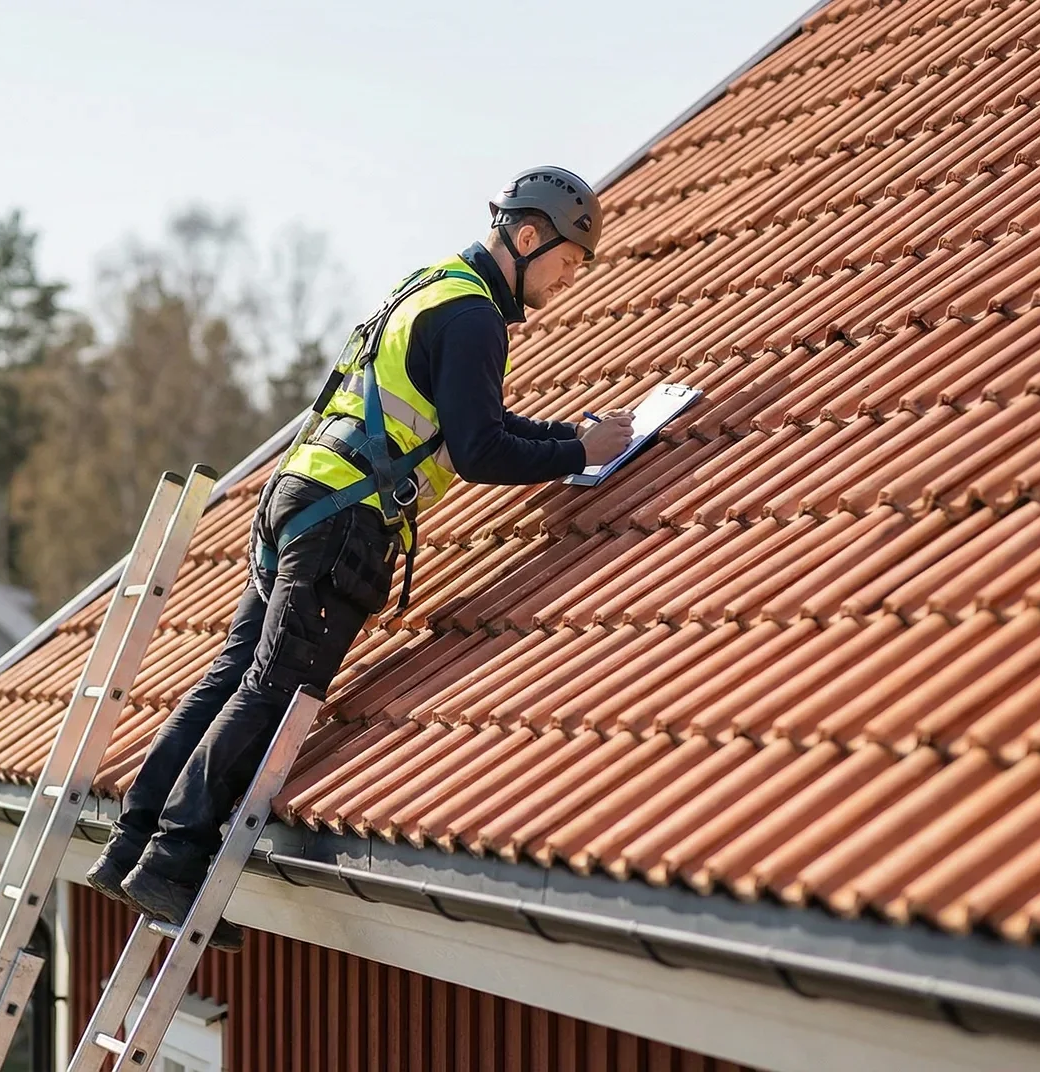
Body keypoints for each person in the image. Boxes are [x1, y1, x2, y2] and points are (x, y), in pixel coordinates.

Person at [86, 167, 637, 951]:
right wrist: (579, 451)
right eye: (567, 261)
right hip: (345, 520)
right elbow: (479, 449)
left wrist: (567, 439)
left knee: (235, 675)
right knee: (275, 688)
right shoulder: (476, 317)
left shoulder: (431, 286)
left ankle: (130, 843)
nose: (567, 279)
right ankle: (173, 859)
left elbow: (467, 422)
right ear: (526, 237)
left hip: (298, 497)